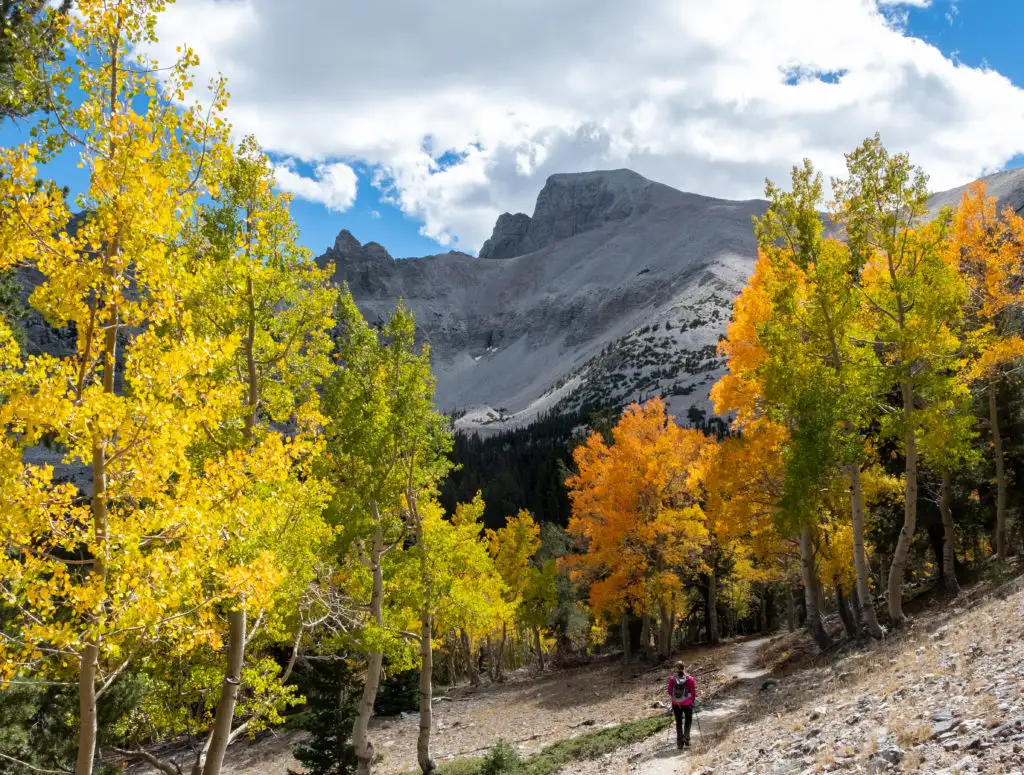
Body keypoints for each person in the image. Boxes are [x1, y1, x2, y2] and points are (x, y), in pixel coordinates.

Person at [667, 661, 696, 749]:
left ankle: (680, 743)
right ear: (684, 667)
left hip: (676, 703)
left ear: (676, 669)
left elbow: (669, 692)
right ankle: (686, 738)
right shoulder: (690, 679)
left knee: (678, 722)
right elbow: (693, 691)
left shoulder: (672, 679)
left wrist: (675, 698)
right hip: (687, 703)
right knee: (688, 720)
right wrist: (692, 700)